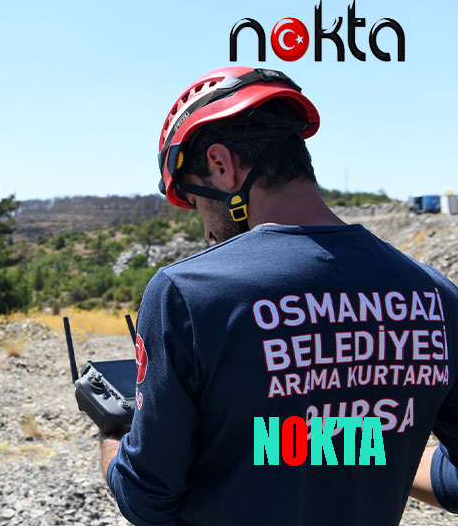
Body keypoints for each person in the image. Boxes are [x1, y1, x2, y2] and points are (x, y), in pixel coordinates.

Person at [98, 66, 458, 525]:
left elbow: (148, 499)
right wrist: (379, 446)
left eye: (197, 202)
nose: (207, 230)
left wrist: (114, 435)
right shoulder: (435, 295)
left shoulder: (186, 294)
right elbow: (305, 440)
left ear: (222, 166)